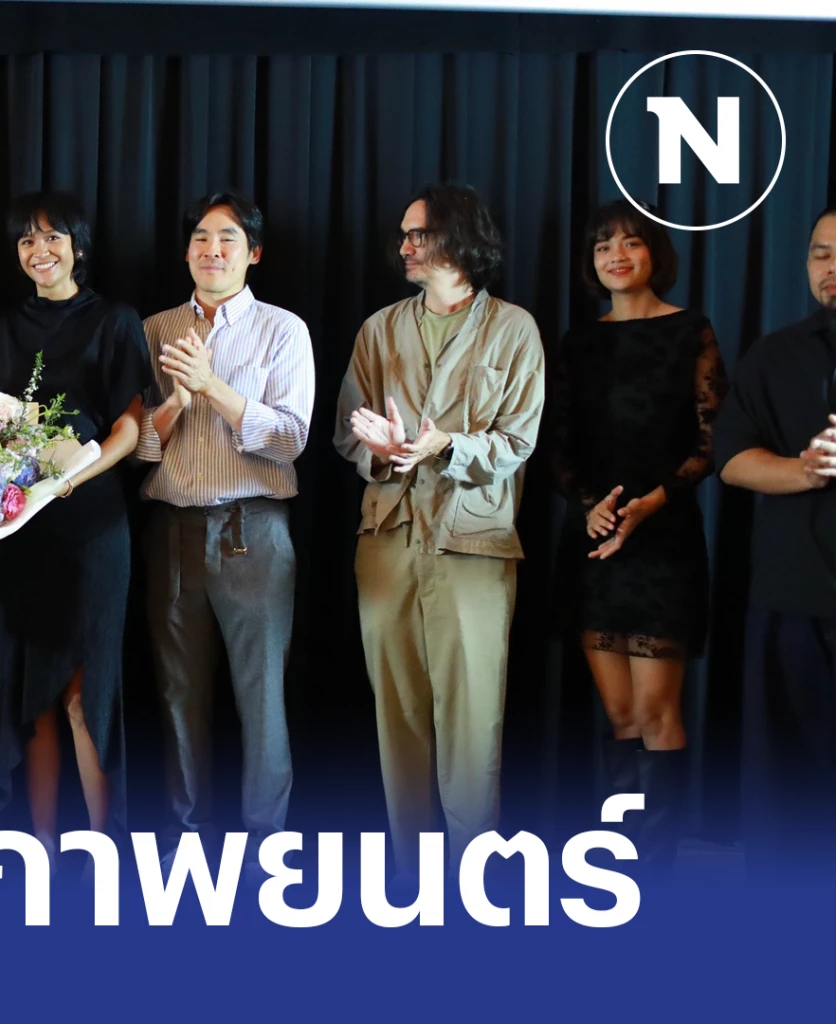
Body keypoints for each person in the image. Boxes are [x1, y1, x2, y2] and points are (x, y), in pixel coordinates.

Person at [333, 183, 544, 877]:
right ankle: (412, 877)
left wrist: (444, 446)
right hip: (388, 538)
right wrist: (383, 450)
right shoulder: (379, 329)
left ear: (459, 238)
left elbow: (517, 440)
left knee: (472, 717)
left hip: (472, 543)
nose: (404, 247)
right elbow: (348, 432)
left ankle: (472, 880)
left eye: (417, 234)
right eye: (404, 234)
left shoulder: (513, 329)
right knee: (397, 715)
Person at [0, 191, 152, 858]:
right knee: (34, 696)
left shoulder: (115, 320)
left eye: (52, 237)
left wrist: (68, 479)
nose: (39, 250)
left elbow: (130, 428)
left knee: (84, 694)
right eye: (26, 239)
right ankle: (42, 849)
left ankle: (102, 850)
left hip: (92, 523)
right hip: (20, 531)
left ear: (77, 245)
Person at [548, 198, 726, 869]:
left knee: (656, 716)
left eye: (631, 242)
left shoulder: (691, 331)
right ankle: (622, 863)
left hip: (663, 541)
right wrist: (588, 506)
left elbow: (711, 442)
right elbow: (556, 445)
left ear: (655, 253)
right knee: (620, 717)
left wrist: (654, 501)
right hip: (596, 545)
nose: (616, 256)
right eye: (603, 246)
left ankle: (658, 870)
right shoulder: (578, 342)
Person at [136, 191, 313, 861]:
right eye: (202, 238)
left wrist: (212, 386)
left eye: (228, 239)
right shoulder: (153, 329)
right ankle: (185, 843)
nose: (213, 250)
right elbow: (140, 450)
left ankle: (268, 850)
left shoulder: (282, 330)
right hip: (172, 531)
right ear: (186, 251)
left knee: (262, 698)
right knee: (178, 694)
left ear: (253, 253)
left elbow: (291, 438)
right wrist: (176, 403)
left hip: (254, 530)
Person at [716, 205, 836, 868]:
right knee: (787, 790)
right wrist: (805, 470)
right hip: (792, 600)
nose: (830, 267)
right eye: (820, 253)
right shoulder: (775, 354)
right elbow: (732, 459)